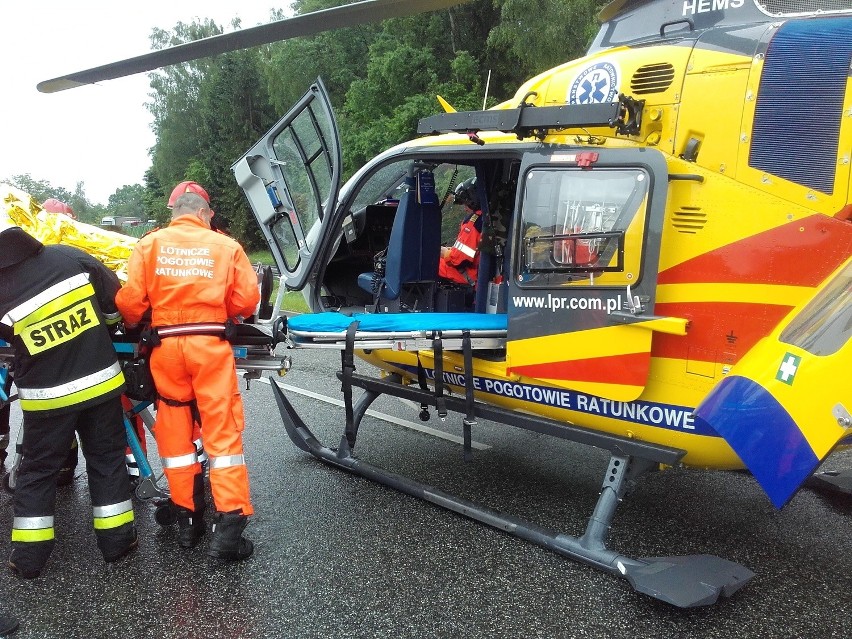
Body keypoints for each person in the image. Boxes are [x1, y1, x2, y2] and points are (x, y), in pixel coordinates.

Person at [116, 190, 260, 561]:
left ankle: (188, 522)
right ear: (204, 212)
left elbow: (131, 303)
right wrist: (220, 311)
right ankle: (228, 531)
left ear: (174, 213)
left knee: (176, 431)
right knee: (222, 433)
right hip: (208, 347)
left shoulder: (149, 245)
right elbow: (246, 301)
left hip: (165, 350)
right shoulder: (225, 246)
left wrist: (137, 324)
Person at [0, 219, 137, 579]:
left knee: (37, 470)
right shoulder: (68, 258)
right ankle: (117, 544)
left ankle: (28, 559)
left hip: (47, 399)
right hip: (100, 384)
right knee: (106, 460)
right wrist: (102, 328)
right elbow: (113, 303)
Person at [438, 177, 483, 286]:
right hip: (485, 274)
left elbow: (457, 259)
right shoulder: (488, 218)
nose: (465, 208)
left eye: (465, 204)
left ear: (472, 201)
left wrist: (442, 251)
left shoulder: (473, 223)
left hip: (473, 276)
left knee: (430, 263)